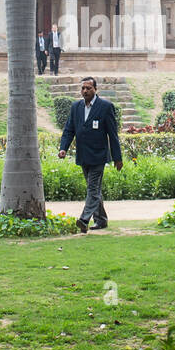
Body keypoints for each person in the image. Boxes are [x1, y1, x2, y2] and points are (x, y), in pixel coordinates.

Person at [58, 76, 123, 233]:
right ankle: (101, 220)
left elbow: (112, 134)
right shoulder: (76, 107)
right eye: (83, 88)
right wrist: (63, 148)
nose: (85, 91)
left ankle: (84, 219)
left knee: (92, 188)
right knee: (93, 189)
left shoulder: (106, 107)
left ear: (95, 89)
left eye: (88, 88)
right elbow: (69, 129)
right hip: (83, 155)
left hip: (99, 156)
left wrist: (117, 157)